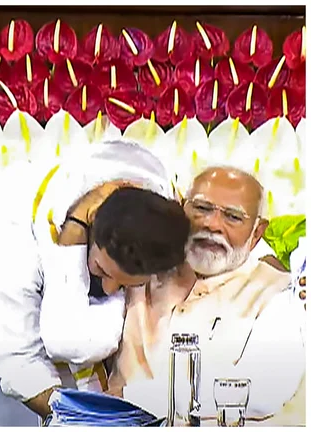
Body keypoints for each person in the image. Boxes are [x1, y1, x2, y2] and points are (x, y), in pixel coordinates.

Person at [0, 139, 192, 426]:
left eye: (125, 284)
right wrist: (82, 418)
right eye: (102, 272)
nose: (110, 292)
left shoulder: (155, 203)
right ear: (87, 229)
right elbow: (19, 363)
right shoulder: (16, 241)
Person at [108, 167, 305, 425]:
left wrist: (130, 398)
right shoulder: (143, 263)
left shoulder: (278, 291)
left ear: (257, 232)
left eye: (233, 217)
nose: (212, 225)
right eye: (201, 208)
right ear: (180, 208)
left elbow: (265, 388)